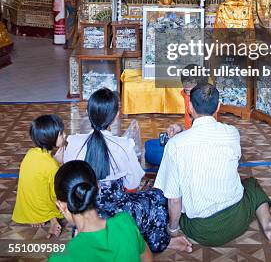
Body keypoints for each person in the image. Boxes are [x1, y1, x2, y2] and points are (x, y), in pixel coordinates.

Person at [155, 84, 271, 246]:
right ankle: (269, 225)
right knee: (251, 185)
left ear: (190, 106)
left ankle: (174, 230)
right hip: (239, 218)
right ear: (218, 106)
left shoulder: (176, 145)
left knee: (167, 197)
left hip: (204, 231)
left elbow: (175, 201)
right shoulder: (232, 133)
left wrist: (173, 230)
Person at [63, 88, 191, 253]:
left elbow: (69, 179)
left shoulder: (73, 143)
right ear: (116, 115)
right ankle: (157, 242)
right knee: (157, 196)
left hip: (84, 214)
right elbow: (132, 185)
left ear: (89, 113)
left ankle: (91, 236)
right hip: (117, 214)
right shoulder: (123, 145)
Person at [49, 160, 152, 261]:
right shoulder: (126, 223)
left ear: (61, 205)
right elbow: (147, 258)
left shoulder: (60, 258)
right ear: (98, 187)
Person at [12, 115, 66, 238]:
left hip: (29, 207)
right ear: (51, 139)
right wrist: (60, 166)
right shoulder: (51, 165)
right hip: (45, 204)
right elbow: (55, 192)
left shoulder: (30, 153)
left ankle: (42, 216)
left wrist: (55, 162)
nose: (65, 136)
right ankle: (53, 218)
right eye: (61, 134)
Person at [168, 64, 218, 136]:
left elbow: (204, 131)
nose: (187, 87)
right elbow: (191, 126)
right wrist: (181, 129)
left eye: (192, 83)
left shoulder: (207, 103)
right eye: (185, 83)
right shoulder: (185, 93)